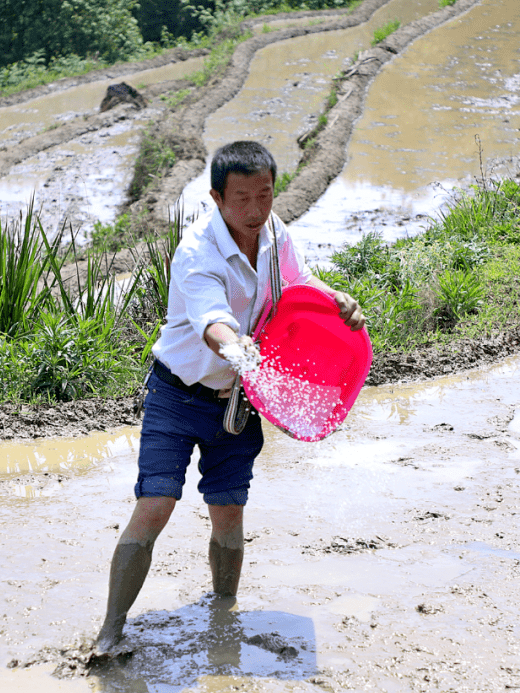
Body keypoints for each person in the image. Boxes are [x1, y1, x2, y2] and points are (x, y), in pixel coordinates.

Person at [94, 141, 365, 653]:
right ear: (217, 197)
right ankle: (110, 629)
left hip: (238, 400)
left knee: (229, 509)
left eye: (264, 195)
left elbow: (298, 281)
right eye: (242, 198)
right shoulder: (198, 251)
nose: (255, 210)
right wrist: (240, 351)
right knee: (156, 504)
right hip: (178, 395)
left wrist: (335, 299)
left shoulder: (275, 232)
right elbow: (212, 323)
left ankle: (223, 615)